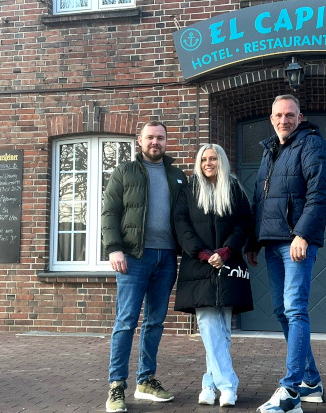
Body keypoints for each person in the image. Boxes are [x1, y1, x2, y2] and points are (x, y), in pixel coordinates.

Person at [245, 95, 326, 413]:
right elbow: (260, 199)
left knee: (296, 310)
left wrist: (303, 234)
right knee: (281, 311)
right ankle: (311, 381)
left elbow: (322, 193)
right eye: (278, 115)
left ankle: (290, 390)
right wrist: (253, 241)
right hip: (272, 243)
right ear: (271, 119)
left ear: (300, 117)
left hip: (296, 243)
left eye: (289, 115)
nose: (283, 120)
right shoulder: (270, 150)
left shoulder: (312, 144)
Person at [101, 120, 187, 413]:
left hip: (167, 257)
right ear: (140, 140)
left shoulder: (177, 175)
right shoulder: (124, 172)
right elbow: (110, 212)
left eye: (160, 138)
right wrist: (114, 248)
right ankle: (116, 385)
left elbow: (186, 216)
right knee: (126, 321)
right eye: (150, 137)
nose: (155, 142)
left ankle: (146, 380)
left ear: (166, 141)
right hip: (134, 257)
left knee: (155, 322)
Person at [173, 143, 253, 407]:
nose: (208, 163)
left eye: (213, 159)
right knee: (208, 325)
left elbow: (244, 223)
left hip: (228, 266)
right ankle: (228, 386)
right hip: (199, 267)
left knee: (223, 331)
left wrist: (226, 251)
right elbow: (181, 224)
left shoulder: (234, 189)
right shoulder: (189, 190)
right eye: (204, 159)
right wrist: (203, 253)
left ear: (222, 162)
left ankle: (209, 385)